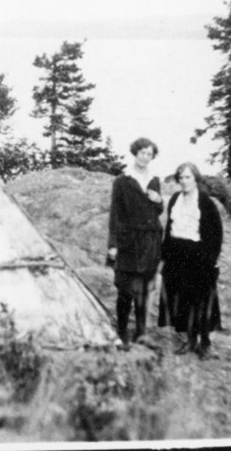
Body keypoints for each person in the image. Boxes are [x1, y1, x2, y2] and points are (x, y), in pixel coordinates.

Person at [158, 162, 223, 359]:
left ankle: (205, 343)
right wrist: (165, 257)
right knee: (182, 299)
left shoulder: (205, 201)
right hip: (177, 254)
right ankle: (189, 339)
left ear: (196, 179)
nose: (184, 181)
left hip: (199, 255)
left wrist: (211, 259)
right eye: (181, 178)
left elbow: (216, 233)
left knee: (201, 299)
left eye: (188, 177)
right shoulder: (175, 199)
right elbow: (170, 229)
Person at [107, 138, 163, 349]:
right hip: (129, 241)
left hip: (150, 241)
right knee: (125, 289)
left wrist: (158, 200)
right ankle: (122, 334)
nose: (145, 158)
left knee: (144, 290)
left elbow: (158, 211)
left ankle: (141, 333)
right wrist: (112, 244)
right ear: (135, 153)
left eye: (149, 154)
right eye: (142, 153)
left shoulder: (154, 180)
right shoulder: (122, 181)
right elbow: (115, 213)